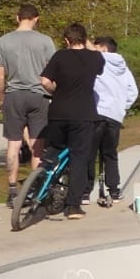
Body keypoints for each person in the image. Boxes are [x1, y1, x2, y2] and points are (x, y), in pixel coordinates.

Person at [0, 4, 57, 209]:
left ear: (17, 17)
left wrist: (2, 98)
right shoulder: (45, 41)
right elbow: (52, 71)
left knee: (13, 144)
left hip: (14, 94)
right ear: (36, 19)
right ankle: (36, 188)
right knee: (37, 145)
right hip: (39, 94)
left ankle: (12, 190)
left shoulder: (3, 41)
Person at [39, 23, 104, 220]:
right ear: (85, 39)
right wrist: (87, 42)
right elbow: (99, 57)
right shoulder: (94, 58)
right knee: (79, 159)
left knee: (53, 151)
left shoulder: (60, 56)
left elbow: (44, 81)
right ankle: (73, 206)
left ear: (66, 40)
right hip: (83, 115)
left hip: (58, 112)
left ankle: (40, 189)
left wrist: (55, 91)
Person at [88, 36, 138, 205]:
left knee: (90, 153)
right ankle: (114, 191)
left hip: (97, 113)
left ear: (104, 48)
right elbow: (133, 92)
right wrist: (122, 107)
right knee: (110, 154)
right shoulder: (124, 69)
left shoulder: (98, 61)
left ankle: (85, 191)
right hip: (115, 116)